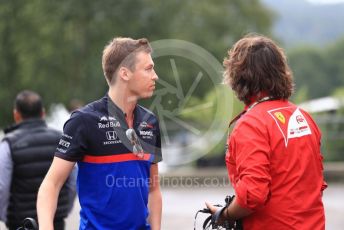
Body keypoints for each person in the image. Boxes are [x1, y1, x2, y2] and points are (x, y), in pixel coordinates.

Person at [37, 37, 162, 230]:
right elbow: (51, 185)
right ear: (124, 73)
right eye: (148, 68)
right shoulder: (83, 121)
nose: (155, 76)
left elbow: (153, 189)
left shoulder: (150, 122)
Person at [205, 34, 327, 229]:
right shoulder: (303, 116)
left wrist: (223, 214)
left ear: (238, 77)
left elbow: (253, 195)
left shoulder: (251, 125)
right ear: (281, 71)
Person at [0, 90, 76, 230]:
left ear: (16, 114)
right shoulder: (63, 139)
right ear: (43, 113)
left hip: (21, 224)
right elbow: (73, 182)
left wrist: (6, 217)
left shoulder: (8, 145)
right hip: (55, 221)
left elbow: (2, 188)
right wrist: (64, 210)